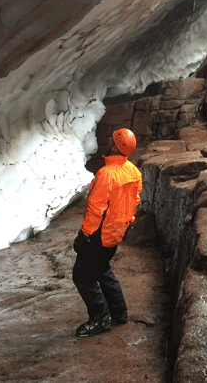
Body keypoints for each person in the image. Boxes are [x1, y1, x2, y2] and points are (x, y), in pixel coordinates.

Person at [72, 127, 143, 337]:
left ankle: (100, 318)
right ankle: (119, 312)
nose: (108, 140)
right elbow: (134, 202)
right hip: (115, 233)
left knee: (82, 276)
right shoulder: (133, 171)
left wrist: (83, 235)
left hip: (98, 235)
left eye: (111, 139)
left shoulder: (106, 174)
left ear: (114, 146)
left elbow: (95, 211)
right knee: (102, 269)